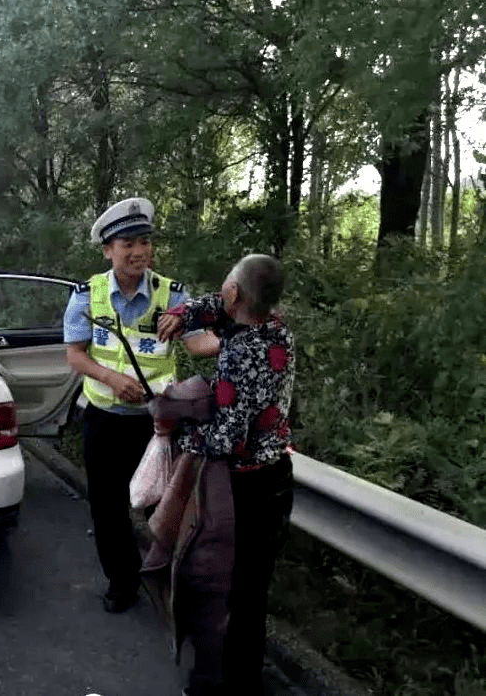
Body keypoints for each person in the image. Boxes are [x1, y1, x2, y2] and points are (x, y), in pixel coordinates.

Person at [63, 197, 211, 613]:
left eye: (144, 241)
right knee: (108, 509)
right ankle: (122, 582)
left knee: (162, 504)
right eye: (127, 243)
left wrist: (241, 333)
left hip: (158, 424)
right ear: (108, 250)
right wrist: (111, 378)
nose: (138, 251)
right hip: (105, 421)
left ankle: (167, 575)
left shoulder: (174, 295)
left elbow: (199, 345)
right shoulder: (86, 297)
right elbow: (75, 355)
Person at [157, 253, 295, 696]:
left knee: (228, 594)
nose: (221, 293)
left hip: (244, 490)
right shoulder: (276, 329)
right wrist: (183, 313)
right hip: (274, 478)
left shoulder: (243, 352)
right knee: (249, 594)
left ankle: (227, 685)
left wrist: (179, 430)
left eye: (227, 287)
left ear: (235, 293)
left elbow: (226, 438)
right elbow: (218, 305)